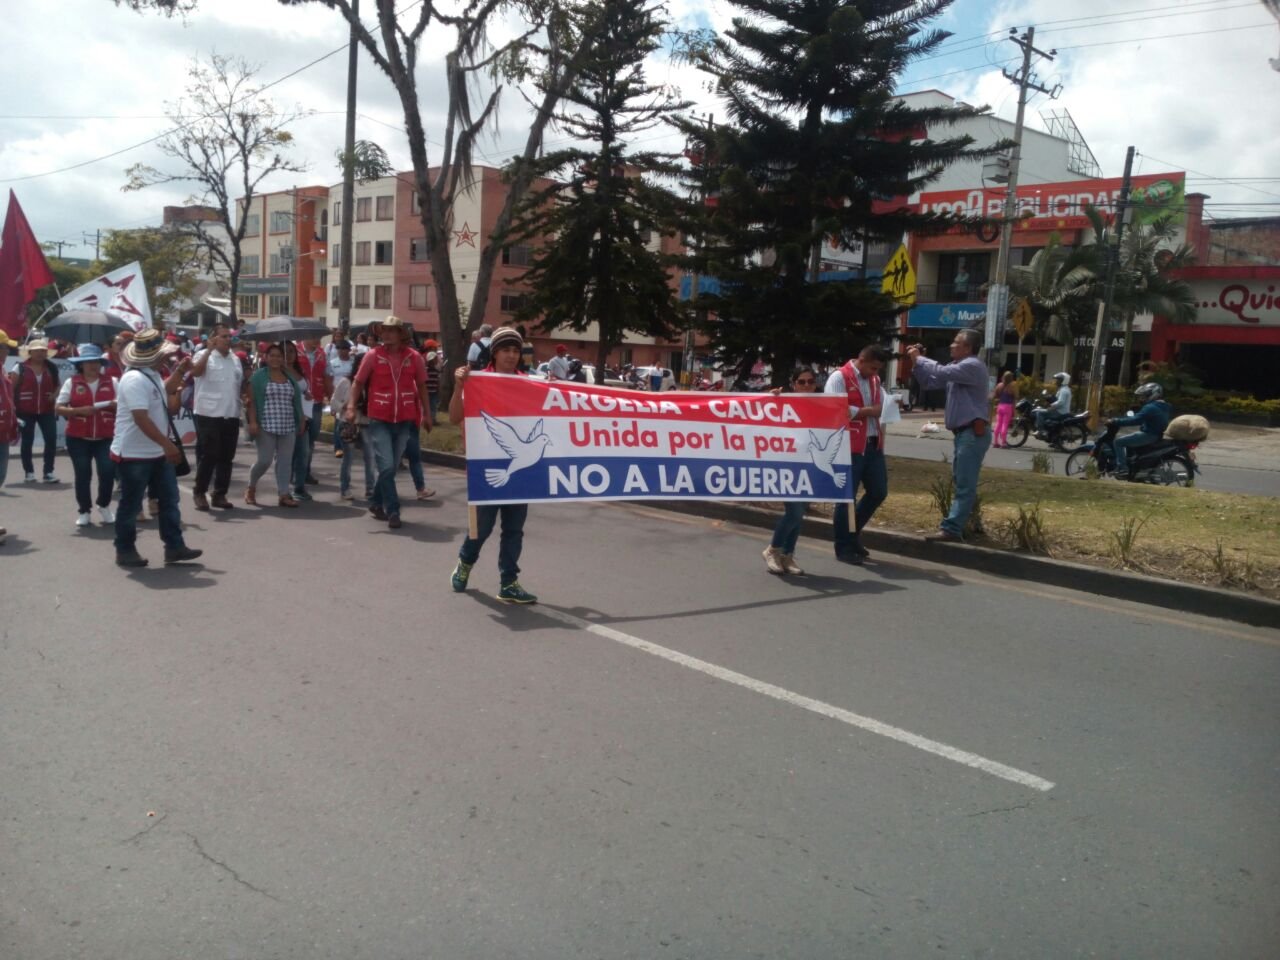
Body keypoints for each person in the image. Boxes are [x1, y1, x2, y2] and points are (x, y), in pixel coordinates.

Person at [449, 326, 537, 604]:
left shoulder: (530, 384)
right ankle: (465, 562)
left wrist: (551, 389)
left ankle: (509, 581)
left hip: (521, 473)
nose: (511, 356)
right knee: (482, 528)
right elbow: (453, 418)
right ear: (494, 352)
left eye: (515, 351)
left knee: (514, 529)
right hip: (486, 469)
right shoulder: (477, 381)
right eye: (505, 350)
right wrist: (459, 385)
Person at [110, 329, 202, 568]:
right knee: (131, 504)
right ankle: (125, 549)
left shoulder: (149, 374)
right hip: (134, 453)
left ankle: (174, 546)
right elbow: (140, 418)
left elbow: (165, 390)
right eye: (164, 354)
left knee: (169, 500)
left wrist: (181, 371)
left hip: (155, 451)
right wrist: (167, 444)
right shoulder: (134, 380)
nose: (166, 357)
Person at [345, 316, 430, 529]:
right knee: (387, 466)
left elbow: (421, 387)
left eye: (393, 330)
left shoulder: (414, 358)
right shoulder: (372, 356)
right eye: (385, 331)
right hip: (379, 419)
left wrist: (427, 414)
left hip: (405, 419)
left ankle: (375, 501)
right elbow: (358, 382)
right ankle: (393, 510)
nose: (388, 334)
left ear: (402, 334)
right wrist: (351, 407)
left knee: (390, 467)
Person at [907, 329, 991, 542]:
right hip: (964, 433)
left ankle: (952, 529)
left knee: (964, 483)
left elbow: (940, 371)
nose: (951, 346)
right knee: (963, 481)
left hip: (972, 432)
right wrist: (916, 364)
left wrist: (920, 358)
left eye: (956, 343)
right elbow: (930, 382)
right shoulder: (958, 368)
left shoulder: (972, 365)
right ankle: (970, 523)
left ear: (968, 348)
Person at [825, 345, 890, 564]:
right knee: (846, 499)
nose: (875, 373)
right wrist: (868, 411)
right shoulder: (839, 378)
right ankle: (843, 546)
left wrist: (880, 410)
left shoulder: (874, 380)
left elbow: (883, 406)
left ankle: (852, 535)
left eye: (878, 369)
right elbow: (834, 409)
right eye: (872, 367)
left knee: (878, 492)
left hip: (873, 443)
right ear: (861, 360)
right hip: (848, 446)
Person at [761, 367, 820, 575]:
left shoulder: (823, 405)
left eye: (810, 381)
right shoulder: (782, 403)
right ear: (793, 384)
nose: (806, 386)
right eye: (801, 382)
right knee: (794, 512)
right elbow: (761, 419)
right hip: (786, 467)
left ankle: (787, 555)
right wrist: (771, 399)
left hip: (809, 467)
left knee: (800, 513)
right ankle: (772, 550)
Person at [55, 344, 118, 528]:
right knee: (83, 475)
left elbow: (124, 405)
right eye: (88, 362)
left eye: (96, 362)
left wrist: (114, 405)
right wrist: (77, 410)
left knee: (107, 473)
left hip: (106, 436)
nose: (92, 366)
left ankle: (104, 505)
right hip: (78, 437)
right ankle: (84, 510)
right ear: (81, 365)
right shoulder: (72, 382)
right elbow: (58, 408)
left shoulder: (113, 381)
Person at [189, 324, 244, 511]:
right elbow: (195, 373)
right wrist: (208, 351)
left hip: (231, 413)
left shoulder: (235, 359)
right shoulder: (202, 355)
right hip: (208, 413)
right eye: (224, 336)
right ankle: (200, 491)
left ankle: (219, 494)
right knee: (209, 455)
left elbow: (239, 384)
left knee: (227, 457)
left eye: (230, 337)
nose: (229, 340)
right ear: (213, 339)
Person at [245, 343, 307, 508]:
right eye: (271, 355)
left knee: (285, 461)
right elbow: (250, 402)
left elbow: (297, 400)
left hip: (287, 424)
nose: (275, 358)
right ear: (265, 357)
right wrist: (252, 421)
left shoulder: (289, 376)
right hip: (265, 424)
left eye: (279, 356)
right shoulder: (258, 377)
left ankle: (284, 494)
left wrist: (300, 419)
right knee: (264, 460)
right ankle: (251, 486)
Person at [12, 338, 60, 483]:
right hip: (24, 410)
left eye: (43, 350)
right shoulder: (19, 368)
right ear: (30, 352)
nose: (40, 353)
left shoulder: (51, 367)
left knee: (51, 440)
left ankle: (48, 472)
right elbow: (11, 388)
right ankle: (29, 472)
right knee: (27, 441)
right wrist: (13, 408)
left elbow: (58, 385)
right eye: (37, 350)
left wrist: (54, 395)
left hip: (47, 410)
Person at [330, 353, 376, 500]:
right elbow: (333, 403)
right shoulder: (346, 382)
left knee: (370, 456)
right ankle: (345, 488)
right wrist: (347, 407)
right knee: (348, 458)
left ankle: (370, 488)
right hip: (348, 423)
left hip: (367, 423)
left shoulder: (373, 383)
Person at [1110, 381, 1173, 477]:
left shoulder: (1150, 407)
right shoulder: (1164, 406)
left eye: (1145, 395)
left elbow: (1135, 420)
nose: (1142, 398)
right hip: (1157, 434)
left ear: (1153, 395)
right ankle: (1133, 466)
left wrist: (1115, 421)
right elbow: (1143, 417)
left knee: (1118, 442)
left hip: (1149, 435)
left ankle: (1123, 469)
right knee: (1130, 441)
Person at [294, 338, 328, 491]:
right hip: (300, 400)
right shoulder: (295, 351)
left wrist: (331, 396)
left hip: (316, 400)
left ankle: (306, 471)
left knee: (312, 438)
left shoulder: (321, 353)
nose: (317, 341)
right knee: (299, 438)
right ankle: (294, 470)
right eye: (314, 337)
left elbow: (326, 376)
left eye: (318, 338)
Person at [0, 331, 21, 493]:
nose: (8, 352)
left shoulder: (3, 370)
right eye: (5, 348)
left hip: (4, 429)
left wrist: (13, 420)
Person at [328, 339, 355, 457]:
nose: (341, 351)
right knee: (338, 421)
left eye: (344, 349)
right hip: (337, 394)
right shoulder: (332, 363)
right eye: (339, 349)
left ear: (349, 350)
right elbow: (329, 380)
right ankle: (338, 447)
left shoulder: (353, 363)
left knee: (347, 421)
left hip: (349, 394)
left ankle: (348, 444)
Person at [992, 371, 1017, 448]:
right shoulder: (1013, 386)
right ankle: (1003, 442)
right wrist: (1014, 410)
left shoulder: (999, 385)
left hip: (1000, 406)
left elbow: (995, 396)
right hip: (1008, 407)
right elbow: (1015, 398)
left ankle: (995, 442)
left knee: (998, 424)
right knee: (1005, 425)